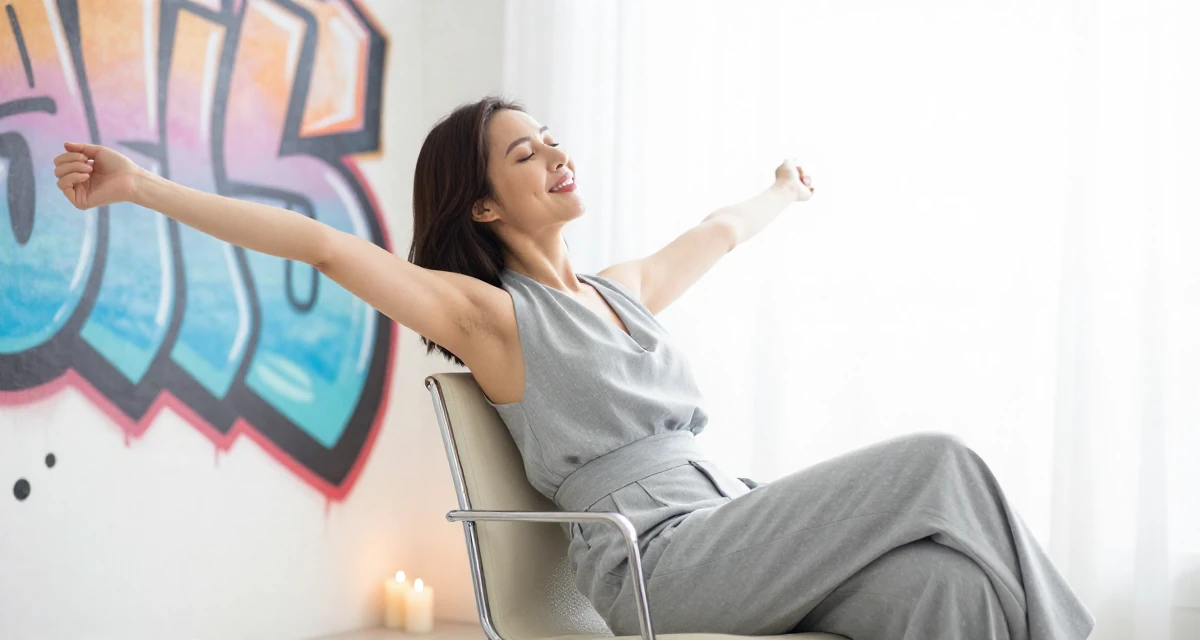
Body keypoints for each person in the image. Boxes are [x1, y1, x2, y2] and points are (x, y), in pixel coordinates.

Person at [53, 95, 1094, 640]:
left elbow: (720, 231)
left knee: (943, 587)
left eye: (552, 139)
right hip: (660, 561)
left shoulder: (622, 286)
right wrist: (143, 186)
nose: (557, 155)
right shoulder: (493, 317)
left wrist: (782, 190)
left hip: (727, 517)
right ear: (484, 205)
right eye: (524, 153)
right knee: (939, 463)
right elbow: (324, 245)